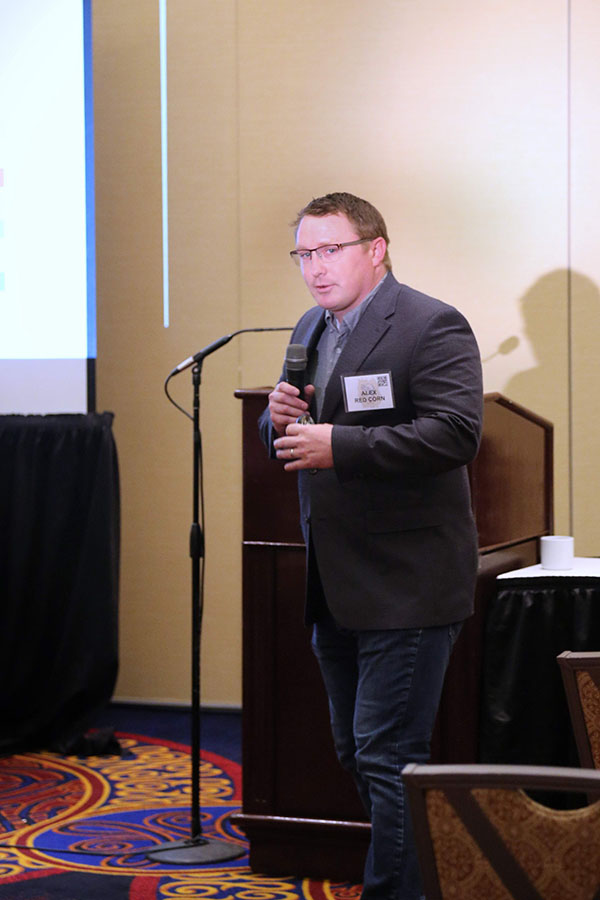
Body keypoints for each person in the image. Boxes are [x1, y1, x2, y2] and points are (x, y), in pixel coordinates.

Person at [258, 192, 483, 900]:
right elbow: (297, 433)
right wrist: (276, 418)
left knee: (388, 756)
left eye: (331, 250)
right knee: (359, 752)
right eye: (304, 254)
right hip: (336, 581)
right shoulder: (311, 327)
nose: (315, 268)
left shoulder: (429, 324)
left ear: (376, 250)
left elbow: (456, 433)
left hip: (408, 583)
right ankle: (428, 877)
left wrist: (342, 446)